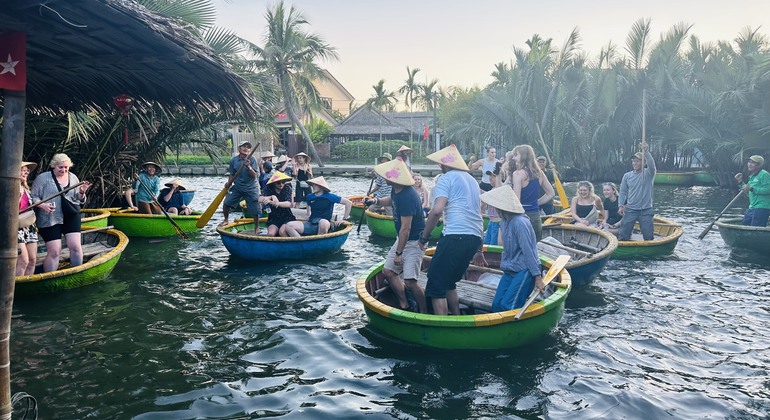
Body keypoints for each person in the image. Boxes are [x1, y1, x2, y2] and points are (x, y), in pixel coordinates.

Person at [419, 145, 485, 316]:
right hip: (474, 238)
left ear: (443, 165)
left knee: (435, 285)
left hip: (456, 236)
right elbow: (478, 215)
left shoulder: (446, 179)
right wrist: (480, 249)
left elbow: (436, 210)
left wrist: (424, 237)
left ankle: (442, 326)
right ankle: (456, 317)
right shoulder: (472, 181)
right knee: (449, 283)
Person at [365, 158, 427, 313]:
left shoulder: (408, 196)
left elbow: (406, 228)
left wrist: (399, 254)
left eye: (387, 176)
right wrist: (376, 200)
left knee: (410, 282)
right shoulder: (396, 190)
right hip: (403, 239)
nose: (384, 179)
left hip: (414, 241)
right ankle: (405, 304)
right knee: (388, 272)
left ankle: (425, 311)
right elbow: (391, 200)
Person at [479, 186, 544, 312]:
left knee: (508, 306)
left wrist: (537, 277)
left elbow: (529, 251)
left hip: (524, 269)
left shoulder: (519, 223)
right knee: (496, 305)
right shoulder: (504, 222)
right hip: (510, 267)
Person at [31, 153, 92, 272]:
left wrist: (82, 192)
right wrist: (43, 205)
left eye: (66, 167)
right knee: (54, 251)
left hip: (70, 215)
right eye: (61, 167)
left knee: (75, 247)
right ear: (54, 166)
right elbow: (33, 196)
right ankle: (50, 276)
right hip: (50, 217)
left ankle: (77, 273)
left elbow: (79, 199)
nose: (63, 170)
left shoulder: (73, 177)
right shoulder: (43, 178)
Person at [221, 141, 271, 231]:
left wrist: (249, 167)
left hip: (251, 187)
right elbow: (232, 174)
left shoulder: (252, 160)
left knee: (255, 208)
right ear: (239, 149)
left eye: (248, 147)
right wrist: (229, 184)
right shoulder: (234, 160)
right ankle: (226, 220)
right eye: (244, 146)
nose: (246, 148)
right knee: (227, 202)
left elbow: (255, 175)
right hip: (238, 186)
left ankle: (256, 227)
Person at [509, 144, 554, 240]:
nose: (514, 158)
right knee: (535, 246)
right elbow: (551, 193)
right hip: (535, 215)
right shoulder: (539, 173)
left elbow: (516, 200)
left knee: (520, 248)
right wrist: (536, 202)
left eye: (516, 155)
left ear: (523, 156)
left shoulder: (518, 174)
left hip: (521, 216)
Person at [284, 176, 352, 237]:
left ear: (321, 186)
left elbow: (348, 203)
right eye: (313, 185)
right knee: (289, 226)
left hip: (326, 224)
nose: (313, 186)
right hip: (312, 223)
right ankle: (302, 243)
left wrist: (344, 219)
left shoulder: (330, 196)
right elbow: (308, 205)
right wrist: (308, 214)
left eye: (315, 185)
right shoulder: (310, 197)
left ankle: (318, 242)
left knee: (323, 222)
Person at [618, 143, 656, 240]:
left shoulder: (648, 173)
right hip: (630, 209)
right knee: (623, 235)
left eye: (638, 161)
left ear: (643, 162)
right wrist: (621, 205)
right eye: (633, 161)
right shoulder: (627, 176)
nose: (635, 163)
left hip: (646, 210)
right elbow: (623, 192)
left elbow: (652, 165)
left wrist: (647, 152)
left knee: (648, 236)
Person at [17, 161, 39, 276]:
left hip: (29, 225)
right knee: (23, 260)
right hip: (16, 227)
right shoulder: (9, 188)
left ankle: (27, 283)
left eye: (27, 170)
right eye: (23, 170)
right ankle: (13, 288)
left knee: (32, 260)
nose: (26, 172)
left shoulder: (25, 188)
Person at [735, 155, 770, 226]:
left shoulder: (764, 174)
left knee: (756, 228)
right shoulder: (752, 177)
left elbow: (768, 190)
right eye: (749, 162)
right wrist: (740, 182)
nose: (750, 164)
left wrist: (751, 188)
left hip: (761, 208)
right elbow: (747, 192)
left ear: (759, 165)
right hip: (752, 207)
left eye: (753, 163)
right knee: (745, 226)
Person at [263, 171, 296, 236]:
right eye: (278, 183)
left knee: (282, 232)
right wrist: (271, 196)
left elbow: (289, 204)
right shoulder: (268, 188)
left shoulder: (287, 188)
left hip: (287, 216)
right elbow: (260, 199)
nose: (281, 184)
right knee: (271, 234)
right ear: (274, 183)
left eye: (283, 182)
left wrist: (275, 203)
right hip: (273, 217)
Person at [483, 169, 502, 245]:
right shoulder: (492, 189)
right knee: (486, 243)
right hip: (491, 221)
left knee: (493, 245)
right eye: (490, 176)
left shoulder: (501, 188)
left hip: (498, 222)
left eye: (493, 176)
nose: (490, 178)